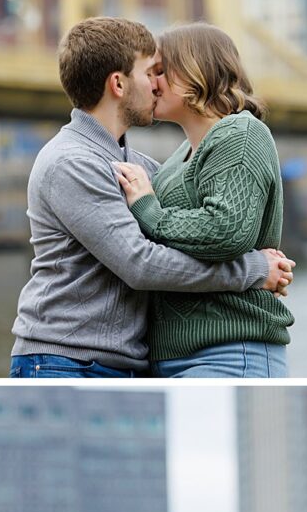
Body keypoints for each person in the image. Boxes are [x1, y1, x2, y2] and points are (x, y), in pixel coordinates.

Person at [11, 18, 293, 378]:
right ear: (118, 84)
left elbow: (214, 227)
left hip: (129, 361)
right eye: (150, 72)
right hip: (66, 360)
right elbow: (141, 264)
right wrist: (254, 270)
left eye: (162, 72)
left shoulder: (144, 168)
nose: (156, 85)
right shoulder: (70, 163)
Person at [116, 23, 293, 378]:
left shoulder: (240, 134)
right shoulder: (178, 158)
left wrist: (150, 211)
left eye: (162, 71)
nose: (153, 83)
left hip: (229, 350)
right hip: (170, 356)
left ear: (196, 69)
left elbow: (227, 230)